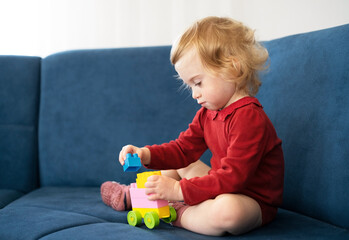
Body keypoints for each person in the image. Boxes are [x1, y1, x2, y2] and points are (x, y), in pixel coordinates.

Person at [101, 16, 284, 236]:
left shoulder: (249, 118)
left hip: (251, 201)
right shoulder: (208, 114)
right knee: (182, 163)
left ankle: (174, 212)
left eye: (198, 83)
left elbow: (233, 177)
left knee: (228, 211)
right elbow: (181, 150)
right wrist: (145, 154)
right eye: (189, 86)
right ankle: (136, 195)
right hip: (219, 187)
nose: (195, 94)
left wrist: (178, 190)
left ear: (232, 68)